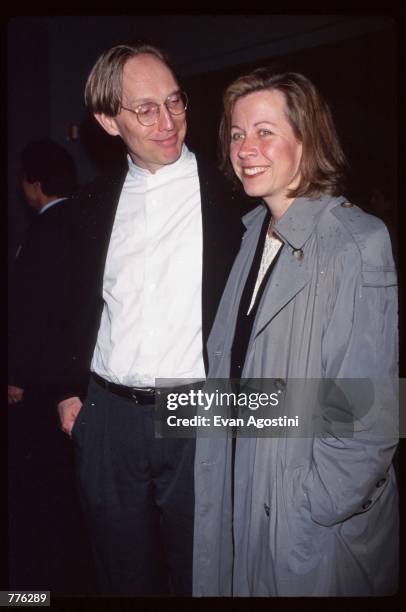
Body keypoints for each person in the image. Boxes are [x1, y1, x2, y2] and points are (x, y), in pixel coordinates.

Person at [193, 69, 398, 596]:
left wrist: (305, 508)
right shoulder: (253, 236)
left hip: (306, 524)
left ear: (306, 140)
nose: (245, 148)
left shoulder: (355, 242)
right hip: (249, 491)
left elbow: (365, 417)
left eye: (265, 131)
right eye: (236, 133)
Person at [56, 42, 246, 597]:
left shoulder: (232, 194)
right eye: (145, 109)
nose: (168, 122)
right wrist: (70, 392)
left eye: (175, 101)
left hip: (197, 413)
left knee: (201, 574)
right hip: (108, 415)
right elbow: (75, 302)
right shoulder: (89, 206)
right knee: (120, 577)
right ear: (107, 121)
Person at [7, 139, 91, 594]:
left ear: (34, 183)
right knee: (63, 493)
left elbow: (30, 313)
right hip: (76, 383)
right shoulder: (84, 223)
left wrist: (17, 375)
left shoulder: (44, 231)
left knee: (37, 496)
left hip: (42, 386)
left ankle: (33, 593)